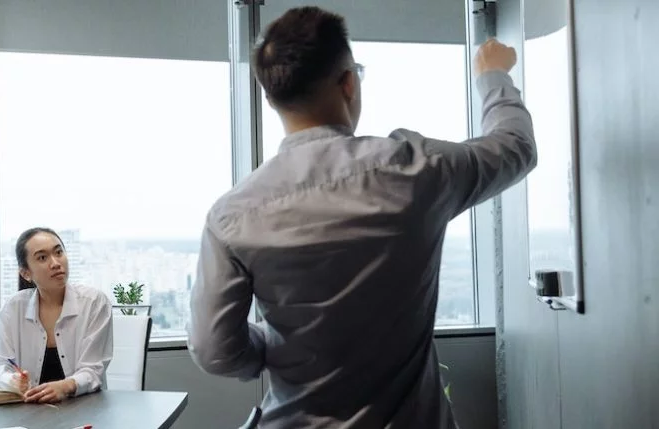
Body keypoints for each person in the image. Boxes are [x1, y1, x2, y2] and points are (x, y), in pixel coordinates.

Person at [187, 6, 532, 429]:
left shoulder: (232, 216)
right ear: (348, 82)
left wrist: (276, 347)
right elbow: (514, 146)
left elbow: (214, 351)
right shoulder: (417, 171)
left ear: (271, 96)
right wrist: (492, 75)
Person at [0, 227, 114, 403]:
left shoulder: (94, 302)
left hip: (85, 407)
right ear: (26, 273)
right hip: (30, 409)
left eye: (59, 252)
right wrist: (12, 381)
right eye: (42, 258)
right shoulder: (12, 309)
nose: (55, 263)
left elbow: (93, 369)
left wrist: (64, 386)